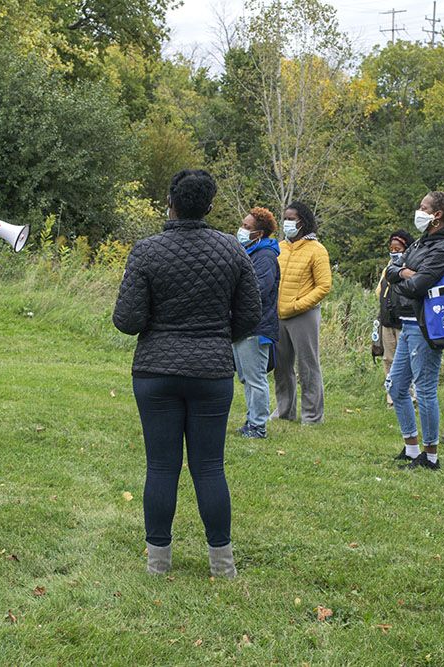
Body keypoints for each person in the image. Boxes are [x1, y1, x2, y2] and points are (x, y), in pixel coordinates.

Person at [113, 169, 261, 578]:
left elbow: (126, 320)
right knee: (209, 466)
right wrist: (214, 337)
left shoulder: (145, 251)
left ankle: (158, 563)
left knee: (161, 466)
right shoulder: (233, 251)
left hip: (155, 369)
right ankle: (222, 564)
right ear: (210, 207)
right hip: (211, 371)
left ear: (169, 202)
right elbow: (250, 315)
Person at [385, 193, 444, 469]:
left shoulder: (443, 247)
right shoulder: (422, 242)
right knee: (396, 385)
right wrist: (405, 272)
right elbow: (393, 269)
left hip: (425, 324)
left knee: (425, 389)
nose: (419, 211)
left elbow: (419, 285)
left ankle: (431, 457)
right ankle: (412, 448)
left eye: (423, 207)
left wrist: (404, 274)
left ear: (437, 215)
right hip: (407, 321)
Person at [272, 201, 332, 424]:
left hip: (303, 315)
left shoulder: (317, 250)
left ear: (302, 222)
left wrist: (298, 305)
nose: (286, 222)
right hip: (279, 315)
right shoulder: (280, 247)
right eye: (285, 218)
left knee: (308, 366)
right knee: (282, 367)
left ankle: (312, 416)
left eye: (291, 218)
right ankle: (284, 412)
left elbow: (324, 286)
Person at [233, 207, 281, 439]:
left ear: (259, 233)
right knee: (246, 377)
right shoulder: (248, 252)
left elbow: (258, 291)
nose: (242, 230)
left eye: (247, 227)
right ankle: (252, 419)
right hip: (243, 326)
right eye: (242, 225)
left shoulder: (265, 257)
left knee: (255, 378)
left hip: (257, 326)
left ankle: (258, 426)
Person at [377, 230, 415, 407]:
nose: (393, 251)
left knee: (407, 359)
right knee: (388, 359)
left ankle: (411, 396)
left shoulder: (410, 267)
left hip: (404, 321)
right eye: (391, 248)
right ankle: (392, 397)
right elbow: (379, 293)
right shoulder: (387, 268)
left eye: (397, 248)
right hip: (386, 321)